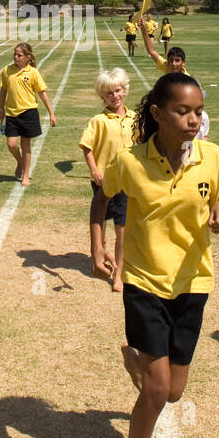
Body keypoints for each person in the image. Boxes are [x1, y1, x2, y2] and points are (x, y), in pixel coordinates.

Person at [101, 72, 219, 438]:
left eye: (198, 112)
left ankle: (135, 360)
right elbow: (103, 196)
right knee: (158, 392)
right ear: (159, 114)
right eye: (183, 112)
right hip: (144, 282)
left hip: (193, 282)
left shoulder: (213, 157)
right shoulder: (130, 161)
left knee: (174, 392)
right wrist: (98, 248)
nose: (194, 120)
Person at [78, 68, 135, 290]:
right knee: (100, 223)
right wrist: (94, 170)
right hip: (103, 181)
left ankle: (119, 272)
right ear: (102, 96)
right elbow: (87, 147)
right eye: (109, 93)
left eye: (118, 91)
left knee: (122, 227)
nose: (114, 96)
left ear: (125, 90)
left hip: (127, 182)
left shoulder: (134, 118)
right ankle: (100, 254)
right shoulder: (98, 121)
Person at [0, 43, 56, 187]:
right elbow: (3, 90)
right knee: (11, 144)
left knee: (25, 145)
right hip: (11, 113)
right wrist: (1, 109)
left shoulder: (33, 73)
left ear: (27, 57)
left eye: (19, 55)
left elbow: (42, 93)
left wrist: (51, 113)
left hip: (28, 113)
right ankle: (20, 162)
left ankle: (26, 175)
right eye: (14, 54)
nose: (15, 57)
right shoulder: (7, 71)